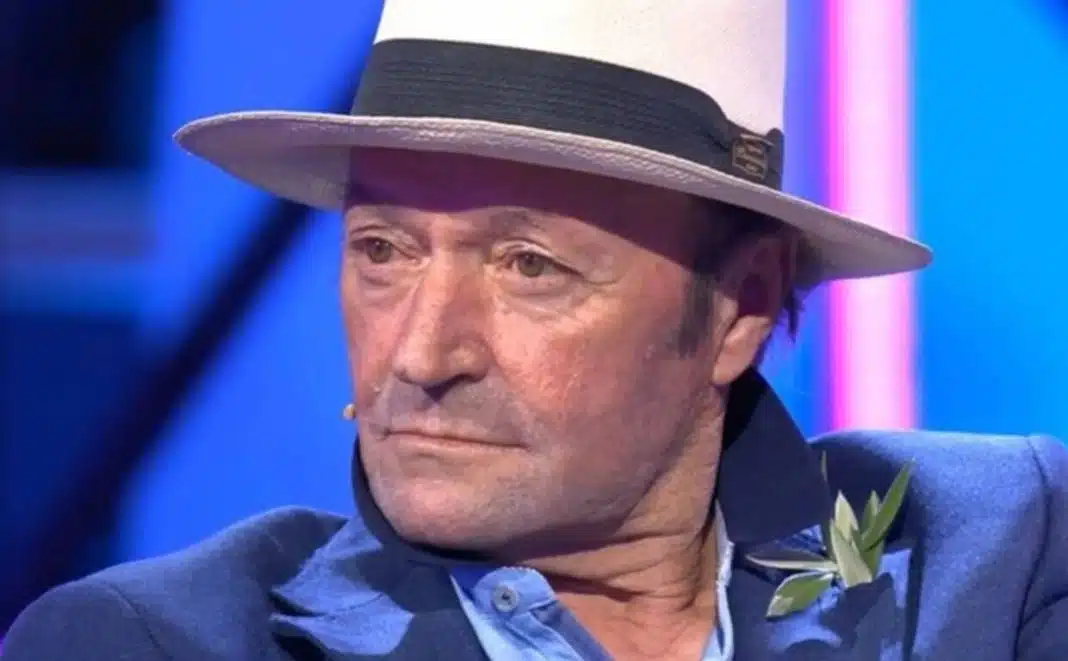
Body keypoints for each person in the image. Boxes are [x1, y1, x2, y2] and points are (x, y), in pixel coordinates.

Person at [4, 0, 1066, 659]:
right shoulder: (160, 642)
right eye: (382, 250)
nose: (420, 355)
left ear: (740, 306)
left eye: (528, 266)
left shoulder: (1001, 552)